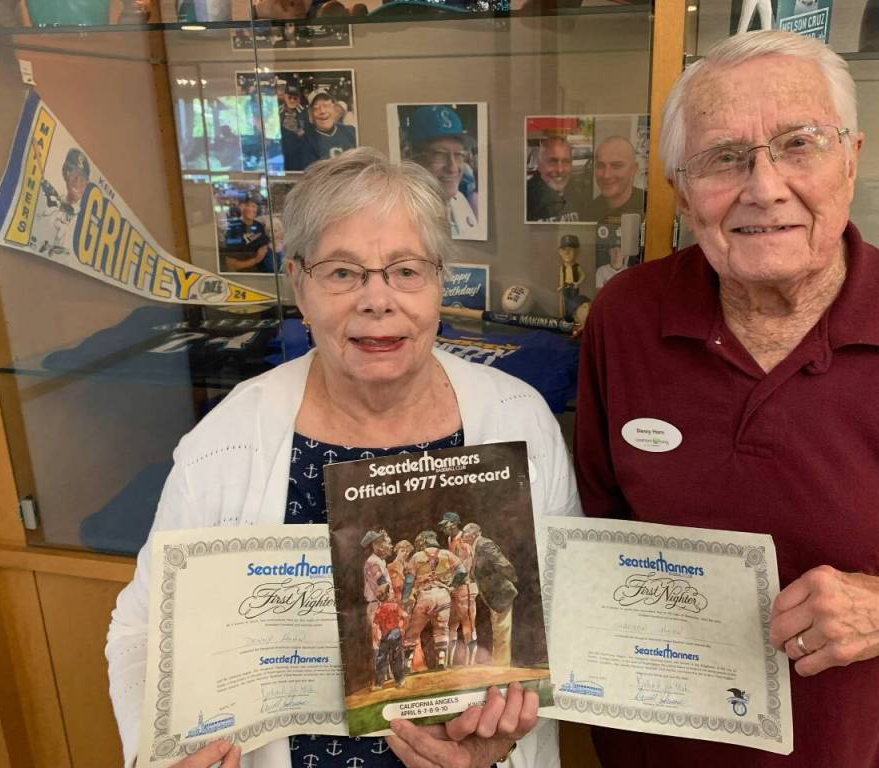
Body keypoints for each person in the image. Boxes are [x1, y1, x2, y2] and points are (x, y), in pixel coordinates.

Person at [574, 30, 879, 768]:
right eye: (724, 158)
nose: (764, 186)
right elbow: (597, 528)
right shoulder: (625, 317)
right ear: (683, 188)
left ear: (852, 158)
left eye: (798, 144)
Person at [107, 148, 580, 768]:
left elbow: (567, 612)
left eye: (405, 271)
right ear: (299, 284)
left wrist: (503, 738)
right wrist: (161, 753)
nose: (376, 300)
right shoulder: (224, 445)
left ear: (441, 283)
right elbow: (143, 631)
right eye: (342, 272)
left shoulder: (519, 419)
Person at [408, 104, 481, 239]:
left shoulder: (459, 200)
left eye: (458, 155)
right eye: (439, 155)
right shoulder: (401, 214)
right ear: (412, 157)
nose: (452, 168)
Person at [401, 529, 465, 671]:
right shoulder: (447, 554)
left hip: (425, 596)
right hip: (443, 595)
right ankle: (441, 662)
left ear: (423, 541)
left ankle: (406, 665)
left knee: (412, 631)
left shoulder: (417, 557)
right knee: (441, 629)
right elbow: (462, 571)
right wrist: (452, 586)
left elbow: (409, 580)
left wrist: (404, 598)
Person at [462, 522, 518, 666]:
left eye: (465, 532)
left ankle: (502, 666)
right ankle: (499, 663)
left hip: (501, 593)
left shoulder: (484, 544)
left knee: (502, 631)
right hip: (493, 595)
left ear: (474, 534)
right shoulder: (475, 547)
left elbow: (503, 563)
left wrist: (512, 578)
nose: (462, 535)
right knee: (498, 631)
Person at [32, 148, 90, 257]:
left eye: (83, 179)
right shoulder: (55, 199)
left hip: (61, 242)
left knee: (61, 231)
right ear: (65, 174)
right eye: (74, 175)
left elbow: (68, 209)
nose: (78, 182)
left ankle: (55, 248)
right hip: (44, 240)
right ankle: (50, 246)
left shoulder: (79, 211)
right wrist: (47, 188)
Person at [438, 511, 478, 665]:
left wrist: (450, 585)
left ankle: (471, 664)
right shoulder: (450, 539)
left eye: (445, 524)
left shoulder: (464, 541)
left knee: (468, 625)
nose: (443, 528)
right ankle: (449, 663)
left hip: (465, 587)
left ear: (454, 524)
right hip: (455, 589)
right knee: (452, 625)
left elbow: (464, 570)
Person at [525, 136, 586, 223]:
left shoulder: (579, 195)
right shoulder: (526, 200)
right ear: (539, 165)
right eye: (552, 161)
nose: (560, 170)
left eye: (565, 162)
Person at [585, 136, 645, 222]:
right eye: (601, 165)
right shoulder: (589, 212)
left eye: (616, 166)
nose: (606, 175)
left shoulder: (649, 207)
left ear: (633, 169)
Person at [299, 88, 356, 168]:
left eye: (326, 105)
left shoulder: (351, 131)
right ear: (311, 115)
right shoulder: (306, 142)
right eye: (316, 108)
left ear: (334, 108)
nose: (322, 111)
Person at [220, 192, 274, 273]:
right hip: (244, 275)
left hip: (262, 272)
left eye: (254, 206)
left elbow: (265, 243)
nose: (251, 209)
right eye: (247, 205)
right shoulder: (234, 228)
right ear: (241, 207)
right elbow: (231, 264)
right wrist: (256, 260)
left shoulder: (259, 225)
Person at [362, 528, 394, 649]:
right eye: (388, 543)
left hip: (381, 604)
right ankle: (381, 667)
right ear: (377, 545)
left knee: (385, 638)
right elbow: (382, 587)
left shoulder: (380, 561)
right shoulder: (374, 562)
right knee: (379, 639)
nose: (391, 546)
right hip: (378, 605)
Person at [278, 82, 308, 171]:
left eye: (295, 98)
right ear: (284, 97)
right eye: (289, 97)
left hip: (298, 153)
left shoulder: (304, 112)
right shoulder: (278, 110)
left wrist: (297, 130)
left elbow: (307, 133)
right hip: (282, 150)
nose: (292, 100)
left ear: (299, 99)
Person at [556, 235, 583, 318]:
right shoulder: (562, 267)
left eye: (570, 250)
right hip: (565, 287)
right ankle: (566, 318)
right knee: (565, 302)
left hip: (573, 287)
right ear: (560, 252)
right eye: (564, 250)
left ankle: (574, 318)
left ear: (577, 251)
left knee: (574, 302)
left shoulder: (577, 267)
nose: (567, 253)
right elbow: (561, 280)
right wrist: (561, 287)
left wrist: (578, 283)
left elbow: (583, 275)